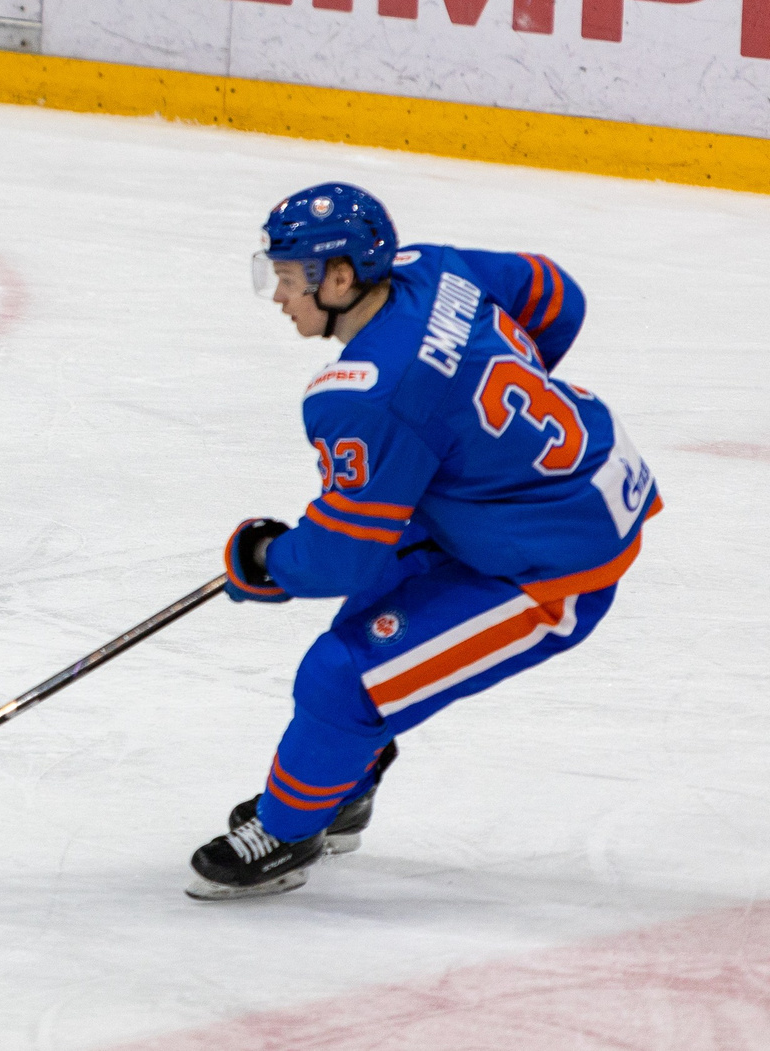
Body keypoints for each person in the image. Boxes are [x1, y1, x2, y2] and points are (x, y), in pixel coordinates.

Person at [188, 184, 656, 900]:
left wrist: (263, 561)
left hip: (556, 567)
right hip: (556, 490)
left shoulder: (363, 391)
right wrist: (483, 434)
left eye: (287, 278)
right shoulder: (433, 267)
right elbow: (558, 296)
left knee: (344, 676)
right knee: (374, 616)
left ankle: (287, 832)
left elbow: (338, 554)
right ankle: (337, 784)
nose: (278, 294)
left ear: (339, 278)